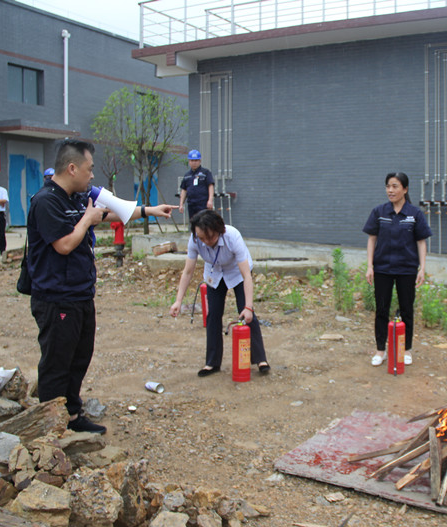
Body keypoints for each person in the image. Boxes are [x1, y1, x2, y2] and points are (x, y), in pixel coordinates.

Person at [27, 139, 176, 434]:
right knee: (57, 361)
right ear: (72, 168)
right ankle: (51, 429)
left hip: (81, 293)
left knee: (79, 357)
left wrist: (150, 210)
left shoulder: (78, 197)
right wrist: (87, 220)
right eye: (89, 168)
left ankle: (72, 416)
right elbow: (64, 245)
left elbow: (112, 213)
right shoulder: (46, 201)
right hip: (56, 297)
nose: (92, 175)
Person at [169, 209, 270, 377]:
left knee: (246, 312)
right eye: (202, 238)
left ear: (219, 230)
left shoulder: (232, 236)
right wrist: (178, 300)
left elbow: (246, 275)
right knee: (213, 315)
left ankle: (260, 359)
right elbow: (188, 272)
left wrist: (249, 306)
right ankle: (212, 363)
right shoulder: (195, 240)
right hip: (214, 274)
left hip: (237, 272)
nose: (206, 242)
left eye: (211, 237)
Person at [363, 172, 432, 367]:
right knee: (381, 310)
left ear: (405, 189)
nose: (390, 190)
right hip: (383, 268)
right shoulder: (379, 212)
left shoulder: (414, 214)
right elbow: (372, 239)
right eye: (388, 186)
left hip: (406, 269)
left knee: (407, 309)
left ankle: (406, 349)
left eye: (395, 186)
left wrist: (422, 268)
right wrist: (370, 266)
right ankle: (380, 350)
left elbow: (421, 242)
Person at [178, 150, 214, 222]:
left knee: (204, 222)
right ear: (189, 161)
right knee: (193, 222)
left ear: (199, 161)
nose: (194, 163)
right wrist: (181, 204)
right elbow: (184, 190)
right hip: (191, 204)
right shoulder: (187, 175)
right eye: (192, 160)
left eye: (196, 160)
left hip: (203, 203)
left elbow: (210, 186)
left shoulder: (205, 173)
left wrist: (210, 200)